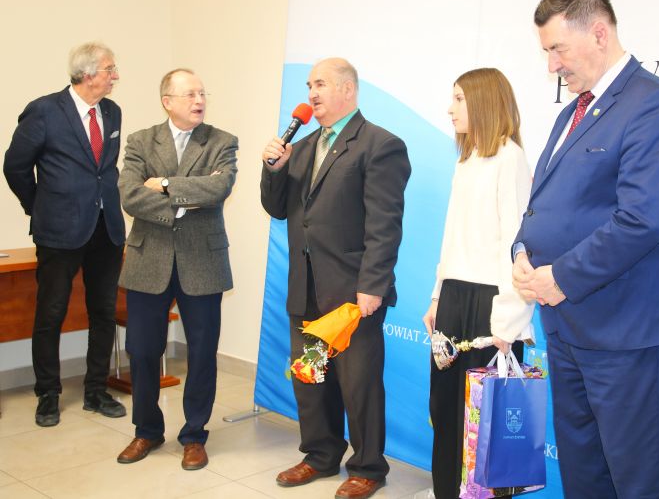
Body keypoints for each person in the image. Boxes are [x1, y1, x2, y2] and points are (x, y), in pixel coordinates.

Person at [513, 0, 659, 498]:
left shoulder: (655, 105)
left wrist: (560, 277)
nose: (552, 65)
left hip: (625, 333)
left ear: (598, 33)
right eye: (546, 52)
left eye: (558, 49)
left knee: (636, 481)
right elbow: (545, 203)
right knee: (583, 475)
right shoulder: (571, 113)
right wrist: (522, 251)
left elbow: (643, 220)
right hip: (567, 328)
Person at [261, 57, 411, 499]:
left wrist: (373, 286)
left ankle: (368, 467)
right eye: (310, 84)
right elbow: (277, 208)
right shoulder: (302, 145)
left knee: (358, 384)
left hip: (351, 292)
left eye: (321, 84)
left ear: (348, 89)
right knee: (311, 378)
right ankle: (321, 454)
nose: (312, 93)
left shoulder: (380, 144)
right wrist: (274, 169)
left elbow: (384, 224)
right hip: (305, 286)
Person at [115, 69, 238, 471]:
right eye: (190, 95)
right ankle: (147, 430)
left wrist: (164, 184)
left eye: (202, 93)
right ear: (167, 101)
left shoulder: (221, 141)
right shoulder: (140, 141)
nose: (199, 100)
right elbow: (130, 196)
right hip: (148, 259)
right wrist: (187, 199)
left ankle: (194, 435)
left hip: (202, 260)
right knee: (142, 350)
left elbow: (219, 189)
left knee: (202, 352)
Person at [421, 68, 534, 499]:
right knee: (445, 410)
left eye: (459, 99)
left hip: (492, 304)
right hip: (453, 299)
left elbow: (518, 245)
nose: (450, 109)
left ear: (484, 101)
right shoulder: (466, 161)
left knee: (485, 424)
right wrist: (437, 296)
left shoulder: (510, 158)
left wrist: (509, 322)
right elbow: (452, 236)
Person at [3, 42, 126, 427]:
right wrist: (38, 206)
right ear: (87, 74)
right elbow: (15, 167)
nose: (115, 76)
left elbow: (104, 171)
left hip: (106, 229)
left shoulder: (112, 111)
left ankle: (96, 390)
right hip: (58, 231)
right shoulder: (44, 111)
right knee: (51, 312)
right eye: (109, 69)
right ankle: (48, 393)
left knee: (103, 311)